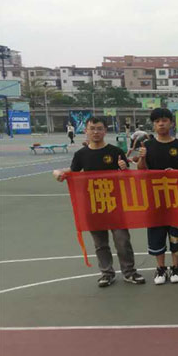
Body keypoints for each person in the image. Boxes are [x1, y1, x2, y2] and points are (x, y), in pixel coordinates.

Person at [53, 116, 145, 288]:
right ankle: (106, 273)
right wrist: (58, 172)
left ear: (105, 131)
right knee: (100, 243)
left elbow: (127, 177)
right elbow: (72, 172)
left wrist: (124, 170)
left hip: (115, 204)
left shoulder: (115, 152)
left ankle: (129, 272)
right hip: (93, 205)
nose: (96, 132)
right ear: (86, 131)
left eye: (99, 128)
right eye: (92, 128)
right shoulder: (81, 154)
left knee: (122, 240)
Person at [136, 108, 178, 285]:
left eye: (164, 120)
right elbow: (141, 170)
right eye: (157, 121)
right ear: (153, 125)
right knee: (157, 232)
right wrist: (141, 158)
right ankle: (160, 268)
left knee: (176, 232)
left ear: (171, 123)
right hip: (155, 198)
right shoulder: (147, 146)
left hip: (176, 198)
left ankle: (176, 267)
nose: (161, 124)